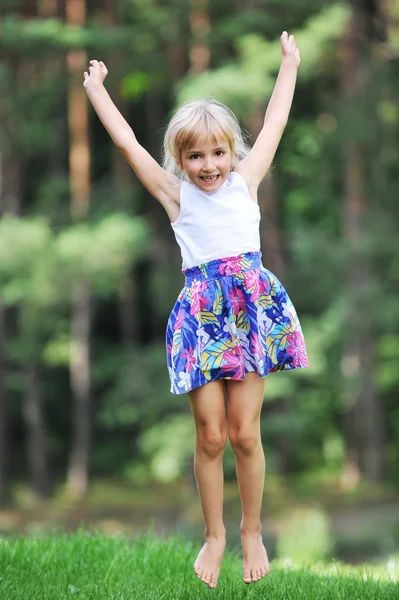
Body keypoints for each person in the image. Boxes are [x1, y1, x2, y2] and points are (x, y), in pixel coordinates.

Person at [84, 30, 308, 589]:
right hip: (201, 318)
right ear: (180, 160)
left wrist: (288, 64)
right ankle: (214, 534)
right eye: (195, 155)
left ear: (233, 152)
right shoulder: (176, 195)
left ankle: (252, 530)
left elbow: (277, 121)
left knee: (245, 433)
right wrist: (98, 93)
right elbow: (129, 146)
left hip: (250, 312)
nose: (208, 165)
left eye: (217, 152)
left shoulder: (246, 183)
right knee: (210, 435)